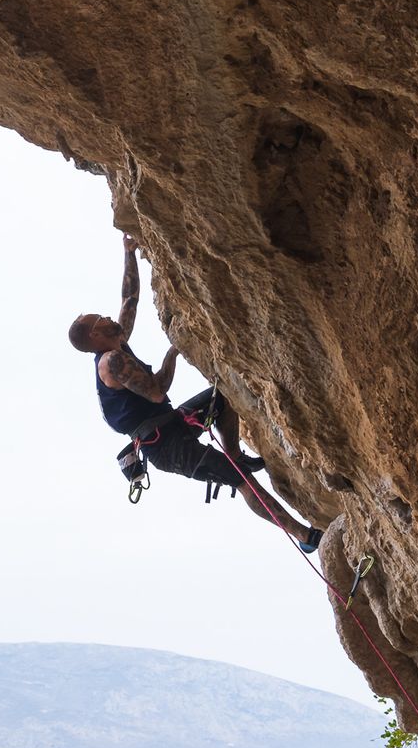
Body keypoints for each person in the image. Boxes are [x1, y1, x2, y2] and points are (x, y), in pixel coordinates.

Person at [68, 235, 323, 552]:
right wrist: (174, 351)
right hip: (165, 446)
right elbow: (158, 392)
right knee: (240, 480)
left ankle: (234, 452)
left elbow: (129, 300)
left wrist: (128, 252)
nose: (107, 317)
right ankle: (305, 537)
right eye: (100, 319)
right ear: (95, 334)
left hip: (172, 424)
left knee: (223, 398)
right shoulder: (111, 361)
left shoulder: (117, 345)